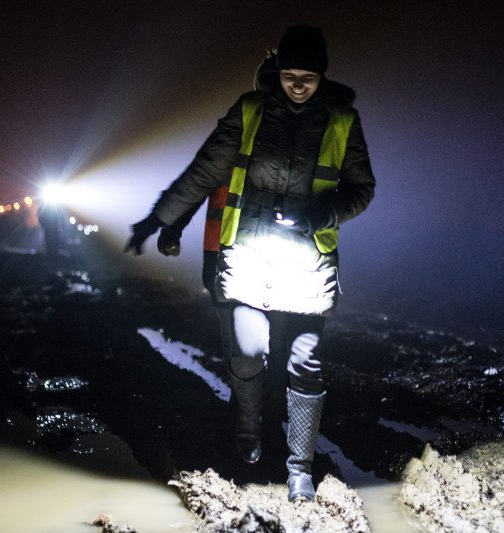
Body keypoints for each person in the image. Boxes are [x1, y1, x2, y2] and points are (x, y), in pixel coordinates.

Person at [125, 25, 375, 502]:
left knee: (307, 362)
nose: (298, 84)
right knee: (246, 351)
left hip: (308, 262)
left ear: (322, 75)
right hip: (249, 256)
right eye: (289, 74)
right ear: (277, 71)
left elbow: (362, 189)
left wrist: (322, 211)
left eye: (308, 75)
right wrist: (159, 219)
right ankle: (247, 427)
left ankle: (299, 467)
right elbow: (204, 169)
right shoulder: (251, 111)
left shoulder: (344, 120)